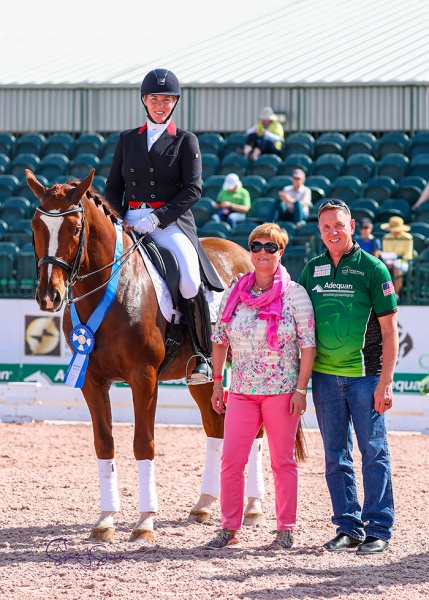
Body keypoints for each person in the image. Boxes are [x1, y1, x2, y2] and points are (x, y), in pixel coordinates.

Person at [105, 68, 224, 384]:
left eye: (167, 99)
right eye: (155, 99)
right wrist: (119, 219)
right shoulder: (128, 139)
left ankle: (201, 355)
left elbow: (193, 189)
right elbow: (114, 187)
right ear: (145, 100)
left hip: (170, 224)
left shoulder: (186, 140)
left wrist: (157, 218)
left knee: (188, 278)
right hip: (129, 222)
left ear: (174, 103)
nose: (160, 104)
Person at [205, 223, 316, 550]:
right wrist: (216, 382)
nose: (262, 252)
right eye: (256, 246)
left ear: (281, 252)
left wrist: (300, 389)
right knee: (231, 461)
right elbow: (219, 338)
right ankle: (229, 528)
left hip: (282, 392)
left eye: (271, 247)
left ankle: (285, 529)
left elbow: (308, 346)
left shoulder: (295, 294)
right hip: (240, 391)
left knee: (282, 461)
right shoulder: (236, 290)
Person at [298, 199, 398, 555]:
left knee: (373, 451)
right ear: (319, 230)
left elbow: (390, 332)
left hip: (365, 376)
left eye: (338, 225)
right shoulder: (312, 269)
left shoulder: (374, 269)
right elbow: (299, 325)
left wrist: (385, 381)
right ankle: (348, 527)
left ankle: (379, 528)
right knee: (335, 455)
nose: (332, 232)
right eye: (326, 227)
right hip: (324, 379)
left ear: (351, 225)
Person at [380, 216, 414, 297]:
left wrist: (396, 262)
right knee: (380, 270)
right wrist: (388, 261)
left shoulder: (408, 238)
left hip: (404, 263)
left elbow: (408, 255)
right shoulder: (386, 238)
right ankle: (382, 296)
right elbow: (386, 253)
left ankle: (395, 295)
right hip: (388, 262)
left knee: (397, 268)